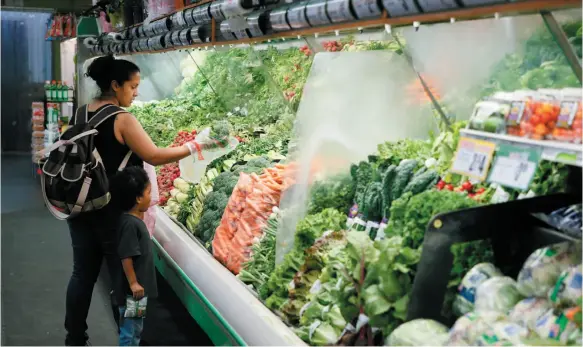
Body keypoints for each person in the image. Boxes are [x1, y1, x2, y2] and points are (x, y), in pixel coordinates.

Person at [64, 55, 204, 346]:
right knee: (129, 282)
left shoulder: (80, 113)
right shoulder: (122, 119)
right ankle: (130, 340)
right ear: (115, 85)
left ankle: (75, 337)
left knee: (82, 275)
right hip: (116, 216)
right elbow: (153, 155)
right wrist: (193, 147)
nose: (137, 92)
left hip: (81, 209)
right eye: (133, 86)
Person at [110, 166, 156, 346]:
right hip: (132, 294)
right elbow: (126, 256)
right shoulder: (130, 225)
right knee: (130, 332)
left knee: (135, 328)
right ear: (138, 198)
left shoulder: (132, 220)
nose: (151, 197)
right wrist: (133, 283)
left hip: (135, 294)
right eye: (149, 192)